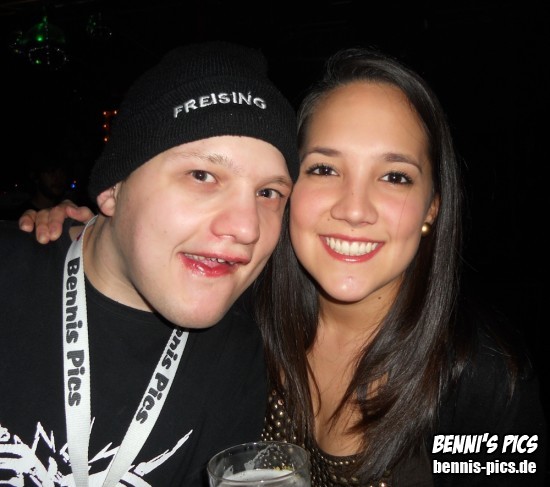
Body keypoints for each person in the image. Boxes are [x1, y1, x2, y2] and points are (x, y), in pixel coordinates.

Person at [19, 47, 548, 486]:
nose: (354, 209)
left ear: (432, 207)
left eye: (395, 177)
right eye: (324, 169)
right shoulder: (235, 307)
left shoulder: (482, 380)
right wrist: (89, 230)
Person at [1, 40, 299, 487]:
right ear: (112, 190)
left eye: (268, 192)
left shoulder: (239, 360)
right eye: (202, 175)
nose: (246, 227)